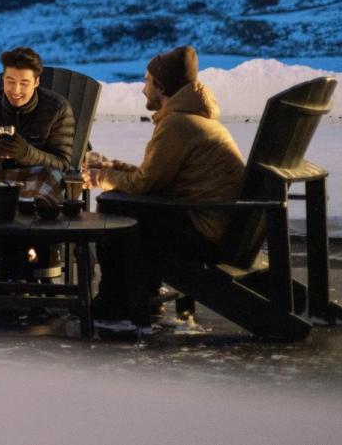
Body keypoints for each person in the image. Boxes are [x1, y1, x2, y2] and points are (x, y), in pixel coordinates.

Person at [88, 45, 246, 324]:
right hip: (219, 225)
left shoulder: (178, 123)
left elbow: (146, 185)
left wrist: (101, 178)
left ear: (161, 86)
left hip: (205, 235)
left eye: (147, 81)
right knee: (125, 205)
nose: (143, 88)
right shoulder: (194, 119)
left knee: (112, 206)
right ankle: (141, 293)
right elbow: (158, 178)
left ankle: (115, 302)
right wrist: (116, 169)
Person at [0, 46, 75, 183]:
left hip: (37, 179)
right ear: (3, 79)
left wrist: (26, 153)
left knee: (51, 178)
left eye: (24, 83)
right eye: (10, 81)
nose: (16, 90)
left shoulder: (57, 109)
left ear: (36, 82)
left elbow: (63, 164)